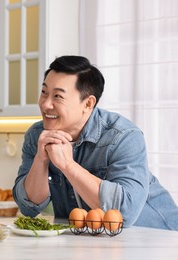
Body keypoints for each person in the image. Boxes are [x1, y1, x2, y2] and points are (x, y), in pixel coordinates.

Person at [13, 55, 178, 231]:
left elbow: (124, 213)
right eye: (44, 92)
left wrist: (68, 165)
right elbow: (29, 207)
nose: (45, 104)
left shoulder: (123, 136)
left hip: (160, 238)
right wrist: (41, 159)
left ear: (88, 103)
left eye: (58, 96)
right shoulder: (37, 136)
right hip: (94, 243)